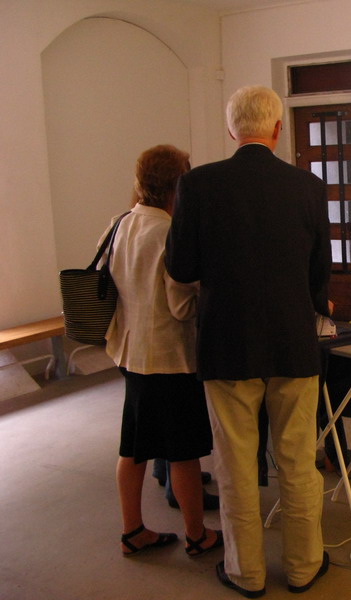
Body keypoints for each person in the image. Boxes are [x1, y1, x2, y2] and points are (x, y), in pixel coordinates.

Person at [166, 86, 332, 597]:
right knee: (298, 462)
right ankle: (303, 567)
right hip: (293, 344)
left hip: (227, 344)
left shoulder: (197, 185)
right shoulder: (308, 186)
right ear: (278, 129)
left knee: (236, 466)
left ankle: (246, 573)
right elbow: (320, 272)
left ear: (231, 129)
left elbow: (181, 267)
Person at [106, 145, 223, 559]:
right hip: (169, 358)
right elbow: (179, 306)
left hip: (130, 352)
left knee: (133, 447)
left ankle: (132, 530)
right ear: (180, 183)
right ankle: (197, 534)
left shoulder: (121, 224)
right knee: (183, 452)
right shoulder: (169, 232)